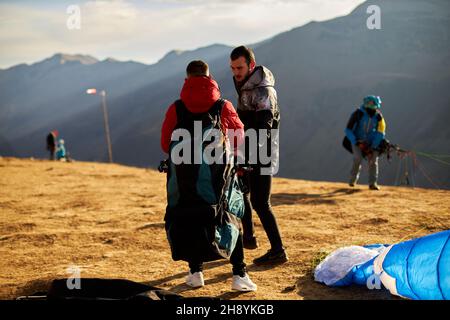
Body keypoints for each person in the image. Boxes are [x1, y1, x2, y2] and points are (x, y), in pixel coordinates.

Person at [160, 60, 256, 291]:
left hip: (183, 179)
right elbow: (238, 139)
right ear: (209, 77)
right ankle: (239, 275)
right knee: (231, 214)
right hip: (218, 177)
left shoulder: (176, 108)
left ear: (187, 79)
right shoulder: (222, 106)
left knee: (190, 214)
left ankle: (195, 273)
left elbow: (165, 144)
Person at [230, 45, 288, 265]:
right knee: (243, 192)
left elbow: (264, 126)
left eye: (240, 67)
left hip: (262, 154)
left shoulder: (264, 91)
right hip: (248, 151)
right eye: (233, 68)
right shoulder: (245, 88)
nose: (236, 72)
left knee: (261, 202)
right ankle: (249, 238)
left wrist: (252, 156)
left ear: (251, 65)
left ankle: (278, 250)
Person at [345, 95, 386, 190]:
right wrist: (356, 141)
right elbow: (348, 130)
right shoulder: (357, 114)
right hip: (357, 141)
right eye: (369, 103)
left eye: (373, 104)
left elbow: (381, 133)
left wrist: (373, 146)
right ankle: (352, 180)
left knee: (373, 161)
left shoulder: (379, 118)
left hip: (371, 143)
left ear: (377, 105)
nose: (371, 106)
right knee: (357, 158)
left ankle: (373, 184)